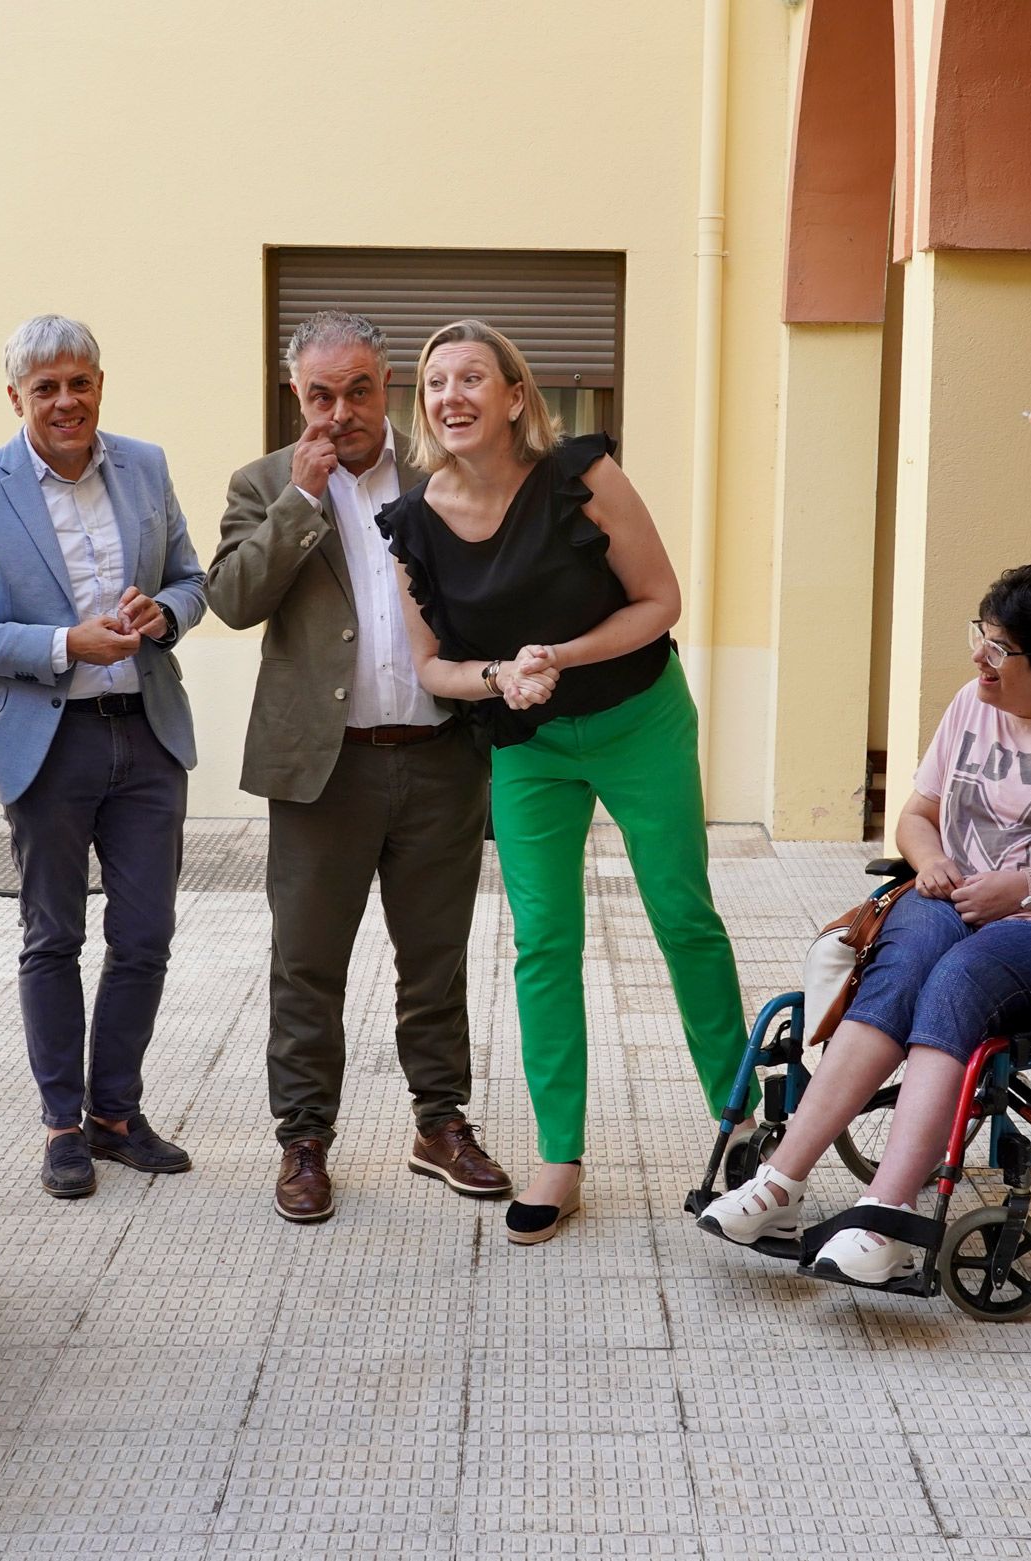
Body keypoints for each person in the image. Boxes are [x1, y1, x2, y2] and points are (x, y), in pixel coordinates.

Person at [376, 320, 745, 1245]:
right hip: (528, 741)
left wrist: (559, 656)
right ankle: (560, 1158)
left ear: (514, 396)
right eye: (434, 383)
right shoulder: (413, 522)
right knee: (543, 942)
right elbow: (431, 666)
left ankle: (741, 1120)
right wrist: (501, 676)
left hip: (639, 719)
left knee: (682, 915)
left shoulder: (582, 475)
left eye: (471, 378)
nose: (450, 396)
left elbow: (661, 600)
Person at [697, 565, 1031, 1282]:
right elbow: (915, 815)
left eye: (999, 648)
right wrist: (933, 859)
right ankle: (780, 1183)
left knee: (959, 978)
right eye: (981, 634)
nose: (979, 656)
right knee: (900, 970)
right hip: (953, 897)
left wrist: (1024, 888)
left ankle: (888, 1215)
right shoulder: (971, 705)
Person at [207, 311, 510, 1224]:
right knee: (307, 963)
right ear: (296, 397)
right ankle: (303, 1139)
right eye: (319, 395)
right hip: (323, 770)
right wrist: (301, 503)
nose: (339, 412)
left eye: (358, 391)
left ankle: (439, 1123)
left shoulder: (445, 471)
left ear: (388, 388)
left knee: (436, 959)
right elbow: (232, 598)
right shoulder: (264, 482)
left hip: (439, 758)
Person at [0, 314, 208, 1200]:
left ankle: (116, 1115)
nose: (65, 401)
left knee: (145, 936)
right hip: (48, 744)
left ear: (100, 385)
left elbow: (192, 580)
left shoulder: (146, 466)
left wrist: (165, 614)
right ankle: (62, 1124)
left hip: (147, 731)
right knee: (54, 936)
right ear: (16, 397)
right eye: (45, 387)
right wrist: (61, 644)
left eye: (79, 382)